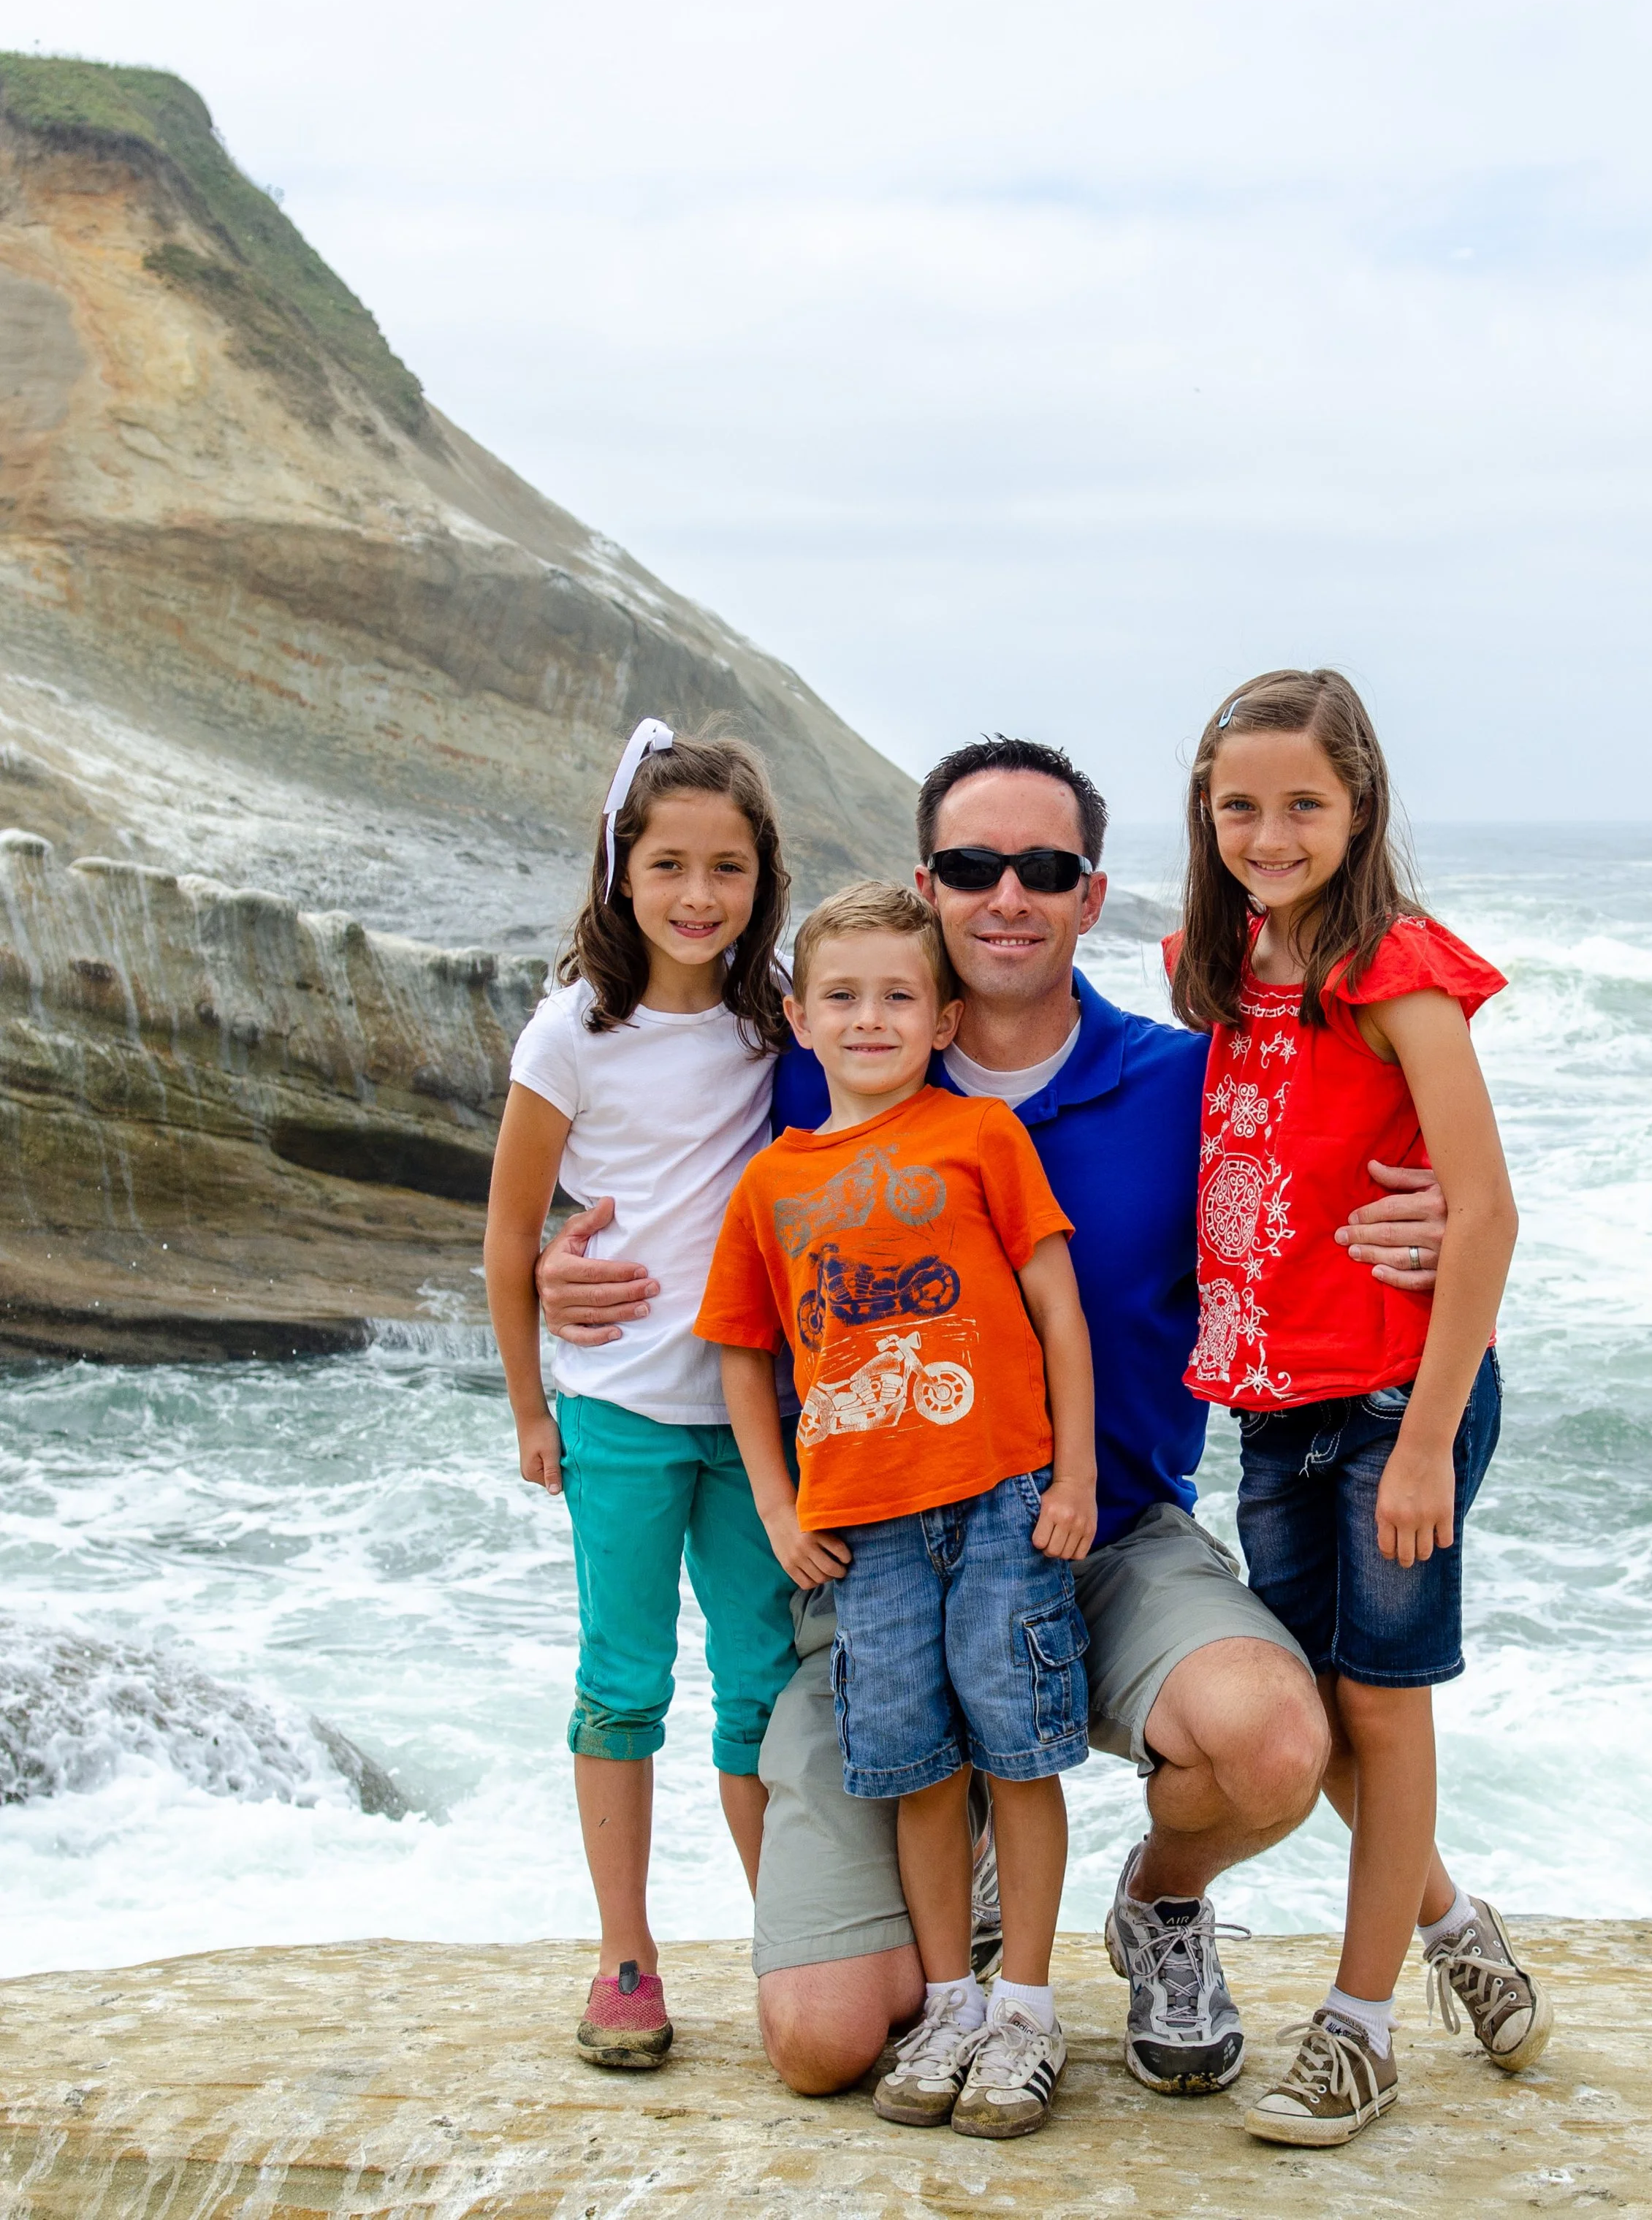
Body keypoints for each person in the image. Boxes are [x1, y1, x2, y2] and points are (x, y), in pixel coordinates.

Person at [538, 735, 1455, 2102]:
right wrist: (560, 1260)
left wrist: (1435, 1216)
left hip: (1104, 1531)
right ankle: (948, 1878)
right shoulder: (818, 1065)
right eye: (974, 867)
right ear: (931, 885)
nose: (1007, 895)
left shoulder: (1184, 1079)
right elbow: (653, 1155)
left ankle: (1159, 1903)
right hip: (875, 1566)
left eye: (1045, 867)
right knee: (825, 2041)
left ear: (1092, 896)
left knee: (1268, 1739)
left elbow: (1319, 1172)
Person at [1170, 667, 1550, 2148]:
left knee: (1382, 1708)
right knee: (1322, 1711)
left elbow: (1487, 1211)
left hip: (1395, 1399)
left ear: (1358, 804)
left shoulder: (1395, 966)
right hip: (1274, 1410)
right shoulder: (1221, 970)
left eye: (1301, 803)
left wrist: (1420, 1439)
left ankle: (1360, 2025)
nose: (1268, 831)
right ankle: (1452, 1923)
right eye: (1237, 805)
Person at [697, 881, 1098, 2139]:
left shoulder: (979, 1138)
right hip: (860, 1532)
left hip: (999, 1503)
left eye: (898, 997)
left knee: (1018, 1751)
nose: (869, 1018)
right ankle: (949, 2002)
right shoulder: (771, 1184)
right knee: (919, 1766)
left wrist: (1076, 1475)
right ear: (800, 1019)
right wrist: (774, 1505)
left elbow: (1057, 1310)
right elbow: (742, 1358)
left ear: (940, 1019)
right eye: (842, 998)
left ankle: (1026, 2005)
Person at [484, 722, 801, 2072]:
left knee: (764, 1686)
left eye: (726, 868)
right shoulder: (574, 1032)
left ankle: (791, 1947)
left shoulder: (776, 1014)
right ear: (621, 869)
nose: (697, 895)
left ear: (760, 877)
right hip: (615, 1408)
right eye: (668, 863)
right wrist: (530, 1413)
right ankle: (626, 1957)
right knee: (623, 1685)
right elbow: (509, 1240)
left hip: (753, 1418)